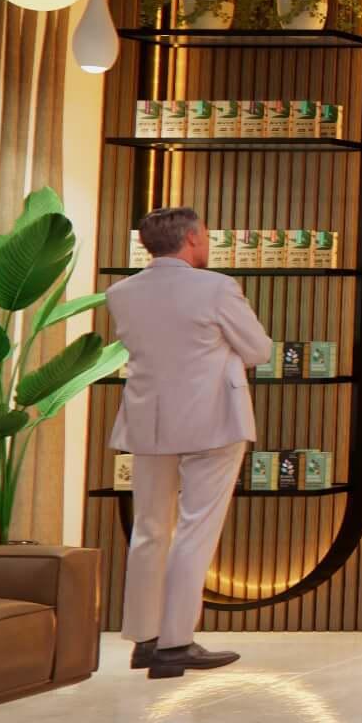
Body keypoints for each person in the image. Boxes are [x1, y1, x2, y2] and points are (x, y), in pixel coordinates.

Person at [105, 206, 270, 680]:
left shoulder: (121, 292)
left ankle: (144, 637)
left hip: (149, 422)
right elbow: (258, 349)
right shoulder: (216, 287)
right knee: (196, 529)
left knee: (149, 528)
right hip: (212, 421)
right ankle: (176, 642)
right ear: (193, 238)